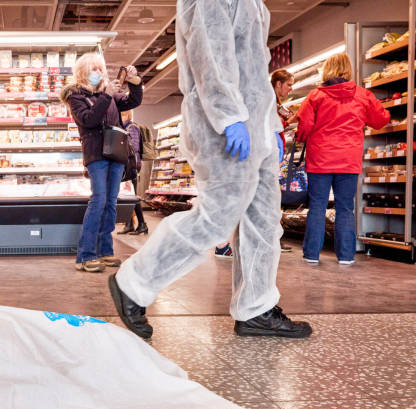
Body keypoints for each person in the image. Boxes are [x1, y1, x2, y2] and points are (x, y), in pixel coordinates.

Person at [108, 0, 312, 340]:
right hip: (225, 127)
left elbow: (254, 71)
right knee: (216, 216)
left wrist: (269, 126)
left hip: (256, 130)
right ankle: (134, 282)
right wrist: (229, 116)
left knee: (262, 221)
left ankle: (257, 307)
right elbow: (209, 52)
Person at [296, 53, 390, 265]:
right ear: (348, 69)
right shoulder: (362, 95)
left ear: (326, 70)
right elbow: (381, 119)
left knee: (318, 206)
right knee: (345, 207)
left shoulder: (315, 96)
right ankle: (346, 255)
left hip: (320, 159)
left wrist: (305, 137)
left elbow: (304, 128)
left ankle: (311, 254)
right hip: (348, 159)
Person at [61, 53, 143, 273]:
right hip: (96, 155)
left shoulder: (110, 95)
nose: (99, 73)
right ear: (82, 72)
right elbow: (89, 120)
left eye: (100, 69)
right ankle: (85, 255)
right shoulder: (76, 96)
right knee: (98, 200)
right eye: (94, 69)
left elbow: (133, 101)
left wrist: (134, 81)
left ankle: (105, 252)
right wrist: (106, 95)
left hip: (116, 154)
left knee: (110, 203)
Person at [272, 68, 296, 253]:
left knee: (273, 198)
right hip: (271, 153)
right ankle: (273, 239)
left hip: (274, 153)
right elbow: (274, 124)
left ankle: (273, 239)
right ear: (278, 84)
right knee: (272, 198)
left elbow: (284, 117)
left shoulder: (277, 102)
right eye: (288, 85)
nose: (290, 89)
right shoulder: (270, 100)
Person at [119, 110, 149, 235]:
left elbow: (134, 148)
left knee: (132, 195)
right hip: (128, 165)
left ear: (126, 115)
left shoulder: (132, 127)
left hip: (132, 165)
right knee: (129, 194)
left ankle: (141, 224)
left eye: (121, 116)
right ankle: (130, 224)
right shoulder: (124, 128)